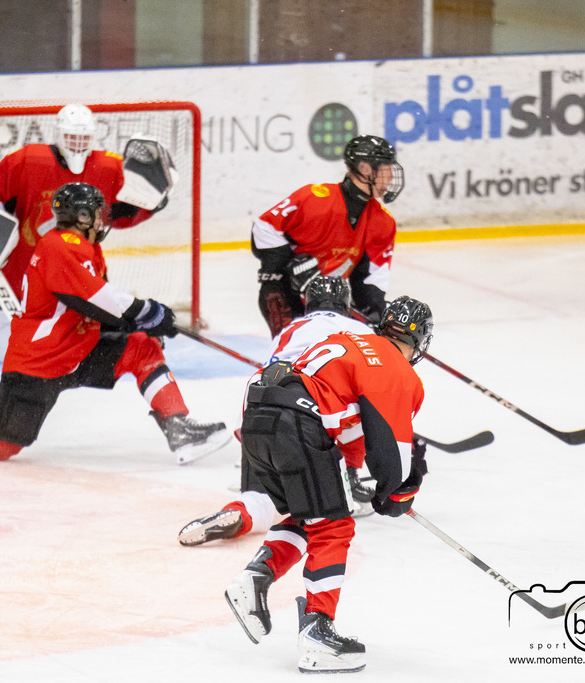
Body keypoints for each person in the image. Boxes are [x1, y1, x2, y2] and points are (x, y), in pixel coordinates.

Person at [0, 183, 229, 465]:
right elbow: (97, 298)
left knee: (141, 347)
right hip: (38, 364)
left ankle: (178, 427)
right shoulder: (59, 246)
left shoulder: (85, 247)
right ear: (82, 217)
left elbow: (93, 308)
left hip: (77, 351)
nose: (101, 219)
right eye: (96, 212)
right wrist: (148, 311)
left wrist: (136, 324)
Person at [223, 295, 433, 674]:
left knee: (314, 514)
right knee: (335, 526)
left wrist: (371, 481)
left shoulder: (348, 340)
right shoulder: (397, 369)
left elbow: (353, 438)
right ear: (418, 343)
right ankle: (318, 633)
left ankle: (254, 579)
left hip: (258, 418)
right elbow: (393, 450)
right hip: (298, 424)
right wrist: (399, 489)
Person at [0, 103, 171, 362]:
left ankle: (130, 343)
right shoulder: (27, 160)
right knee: (16, 339)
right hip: (22, 275)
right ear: (58, 135)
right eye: (72, 137)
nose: (77, 144)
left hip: (82, 271)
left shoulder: (108, 167)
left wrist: (152, 203)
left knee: (102, 335)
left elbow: (127, 210)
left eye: (83, 138)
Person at [176, 276, 386, 546]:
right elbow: (372, 391)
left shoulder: (291, 328)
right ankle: (350, 479)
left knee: (262, 500)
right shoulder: (362, 330)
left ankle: (241, 512)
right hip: (307, 418)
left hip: (256, 412)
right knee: (364, 407)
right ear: (346, 304)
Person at [251, 134, 404, 337]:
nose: (391, 177)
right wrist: (285, 266)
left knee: (333, 357)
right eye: (387, 168)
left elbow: (370, 278)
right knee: (294, 352)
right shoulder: (315, 198)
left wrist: (375, 312)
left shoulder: (383, 222)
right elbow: (265, 227)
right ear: (366, 168)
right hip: (287, 294)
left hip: (329, 301)